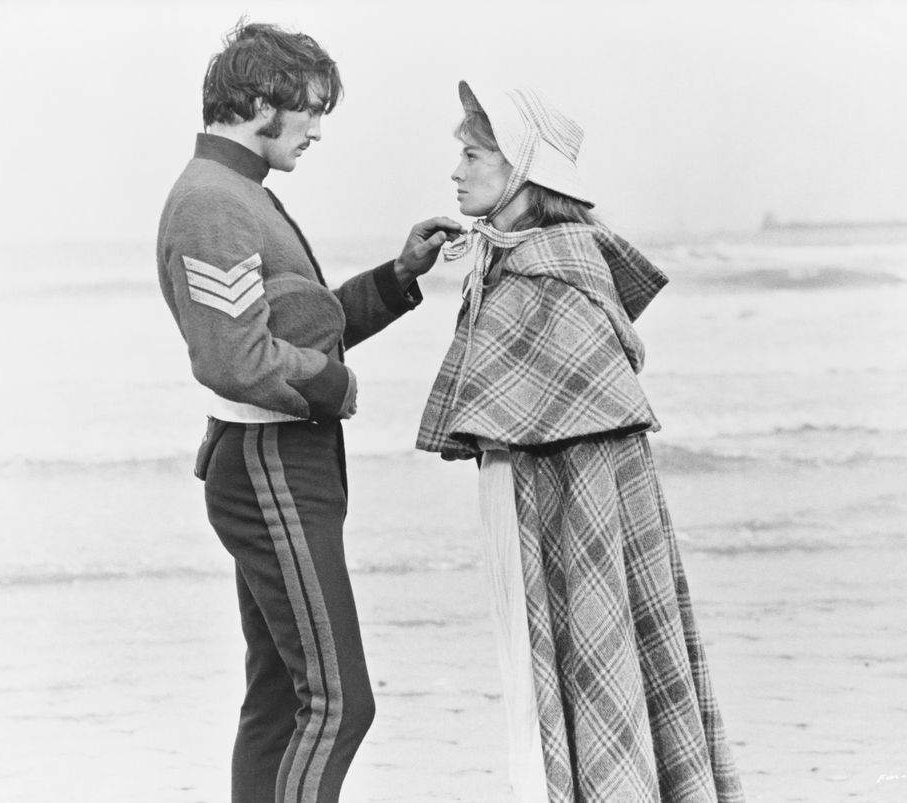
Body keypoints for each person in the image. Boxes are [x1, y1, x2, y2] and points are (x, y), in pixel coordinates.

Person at [156, 21, 461, 803]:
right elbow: (234, 358)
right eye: (312, 110)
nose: (319, 130)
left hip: (277, 464)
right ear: (262, 101)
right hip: (270, 466)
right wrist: (336, 386)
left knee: (279, 701)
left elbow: (297, 327)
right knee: (336, 702)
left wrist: (399, 275)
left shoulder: (237, 191)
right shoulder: (213, 202)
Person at [417, 82, 745, 802]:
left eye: (473, 156)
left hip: (575, 498)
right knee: (579, 652)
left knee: (597, 643)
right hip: (535, 491)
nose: (456, 172)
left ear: (522, 173)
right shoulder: (519, 257)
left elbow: (584, 431)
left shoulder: (551, 265)